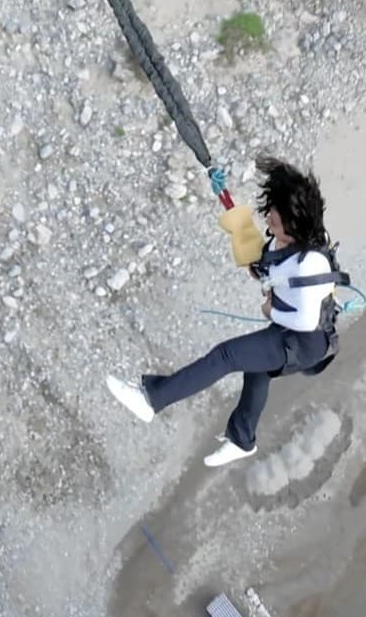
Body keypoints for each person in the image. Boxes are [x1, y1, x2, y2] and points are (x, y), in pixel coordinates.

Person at [105, 156, 346, 467]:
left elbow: (306, 320)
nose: (270, 215)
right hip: (292, 334)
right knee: (256, 367)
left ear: (294, 220)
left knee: (227, 356)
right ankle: (242, 438)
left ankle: (152, 400)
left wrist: (271, 311)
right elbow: (266, 266)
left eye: (277, 212)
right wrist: (234, 216)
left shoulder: (311, 262)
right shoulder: (283, 242)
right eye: (272, 207)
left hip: (305, 342)